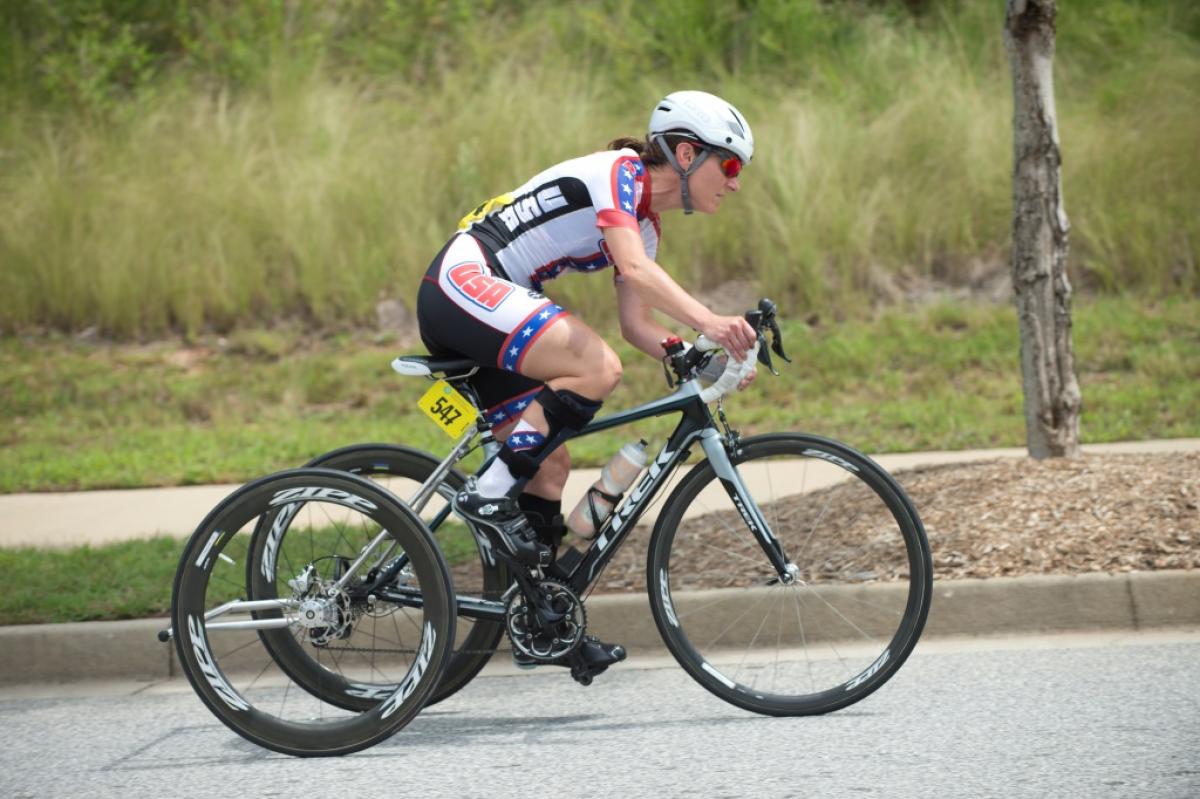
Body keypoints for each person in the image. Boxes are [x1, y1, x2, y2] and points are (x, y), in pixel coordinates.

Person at [417, 91, 757, 628]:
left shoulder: (645, 225)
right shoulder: (618, 174)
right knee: (598, 368)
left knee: (549, 468)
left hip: (492, 302)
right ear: (688, 156)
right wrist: (711, 322)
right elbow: (638, 274)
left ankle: (544, 621)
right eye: (731, 164)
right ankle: (486, 494)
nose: (737, 182)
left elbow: (637, 325)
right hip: (466, 279)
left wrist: (698, 357)